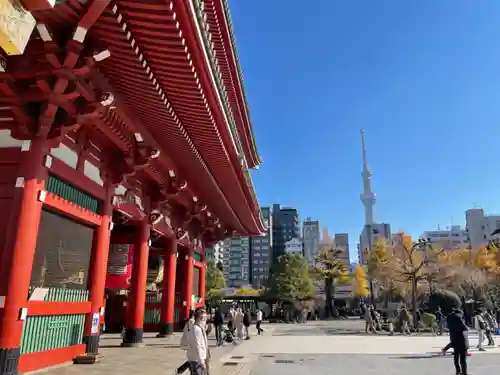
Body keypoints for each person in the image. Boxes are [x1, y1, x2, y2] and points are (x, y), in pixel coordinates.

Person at [186, 309, 209, 375]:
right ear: (199, 319)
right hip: (197, 360)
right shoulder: (197, 329)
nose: (205, 320)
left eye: (205, 318)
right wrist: (201, 361)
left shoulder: (198, 328)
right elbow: (197, 345)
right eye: (203, 318)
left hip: (197, 358)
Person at [446, 308, 469, 375]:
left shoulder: (449, 319)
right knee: (463, 359)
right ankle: (464, 372)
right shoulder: (459, 319)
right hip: (461, 341)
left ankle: (458, 371)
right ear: (459, 314)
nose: (462, 316)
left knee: (456, 357)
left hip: (454, 340)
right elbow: (465, 329)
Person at [178, 310, 196, 374]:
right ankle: (182, 370)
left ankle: (181, 370)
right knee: (193, 359)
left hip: (187, 342)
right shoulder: (192, 322)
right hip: (190, 343)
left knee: (192, 358)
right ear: (193, 315)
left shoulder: (188, 322)